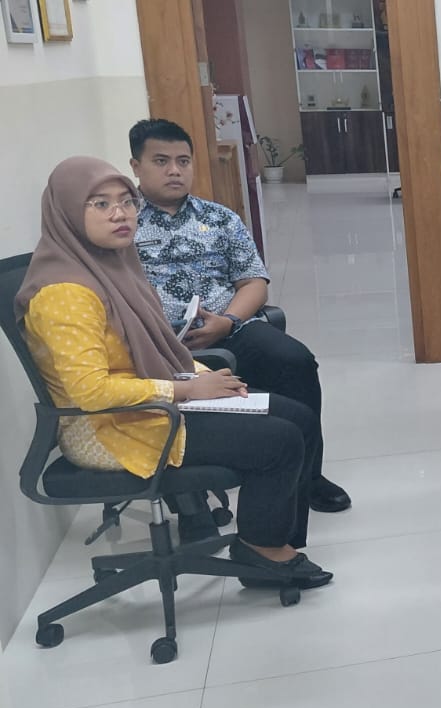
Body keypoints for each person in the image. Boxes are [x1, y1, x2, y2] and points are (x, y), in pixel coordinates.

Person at [17, 156, 332, 588]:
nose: (120, 213)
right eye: (99, 204)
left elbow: (155, 349)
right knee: (278, 440)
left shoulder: (112, 266)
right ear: (69, 212)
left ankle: (269, 540)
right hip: (108, 428)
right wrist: (187, 391)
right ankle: (263, 550)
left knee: (296, 414)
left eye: (125, 201)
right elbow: (90, 392)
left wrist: (202, 379)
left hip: (150, 403)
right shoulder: (65, 294)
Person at [127, 119, 350, 513]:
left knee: (294, 361)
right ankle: (192, 492)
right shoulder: (122, 224)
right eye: (161, 161)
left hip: (227, 327)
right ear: (136, 167)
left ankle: (308, 476)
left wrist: (227, 322)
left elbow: (254, 283)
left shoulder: (219, 218)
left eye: (183, 160)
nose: (174, 170)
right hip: (156, 345)